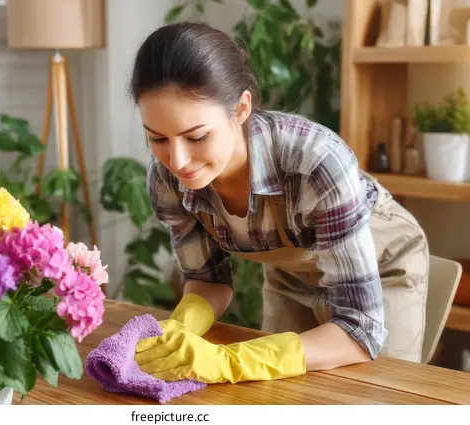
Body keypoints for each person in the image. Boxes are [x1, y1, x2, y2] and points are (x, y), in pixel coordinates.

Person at [129, 22, 429, 385]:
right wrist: (180, 328)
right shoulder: (166, 179)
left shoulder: (316, 161)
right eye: (157, 138)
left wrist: (230, 361)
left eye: (197, 137)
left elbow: (359, 329)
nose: (177, 161)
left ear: (241, 108)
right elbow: (207, 280)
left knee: (376, 400)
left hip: (382, 270)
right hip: (293, 274)